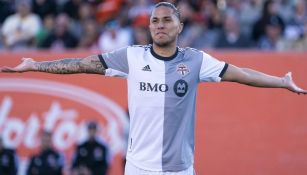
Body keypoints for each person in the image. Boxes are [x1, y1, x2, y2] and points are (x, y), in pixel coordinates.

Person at [1, 2, 306, 175]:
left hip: (180, 169)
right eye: (154, 21)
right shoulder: (132, 56)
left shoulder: (196, 60)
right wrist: (36, 65)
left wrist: (281, 82)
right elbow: (81, 63)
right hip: (138, 168)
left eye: (167, 20)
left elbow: (241, 74)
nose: (160, 25)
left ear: (179, 27)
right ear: (149, 27)